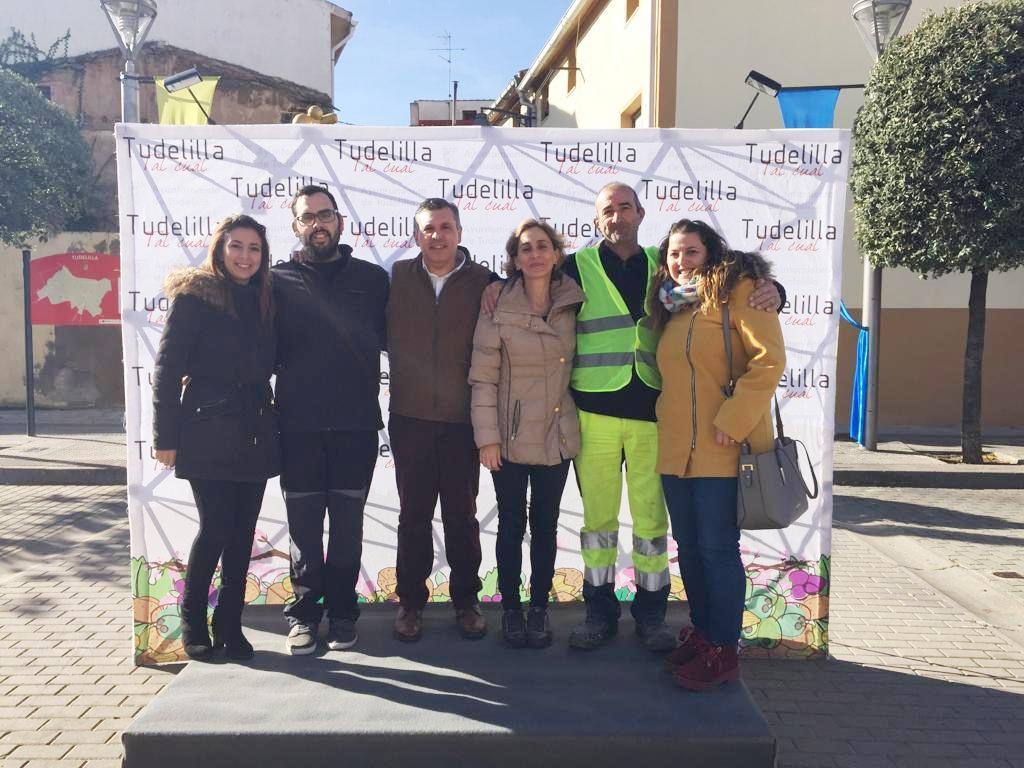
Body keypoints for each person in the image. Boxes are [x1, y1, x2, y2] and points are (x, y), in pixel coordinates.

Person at [483, 182, 782, 652]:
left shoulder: (663, 266)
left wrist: (772, 287)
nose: (618, 216)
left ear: (641, 213)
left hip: (652, 415)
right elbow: (528, 277)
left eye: (626, 207)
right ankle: (598, 612)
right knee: (598, 522)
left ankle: (651, 615)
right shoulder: (574, 265)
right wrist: (494, 289)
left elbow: (720, 280)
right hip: (593, 412)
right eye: (608, 209)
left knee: (650, 523)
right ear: (596, 219)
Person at [652, 219, 785, 691]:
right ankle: (706, 634)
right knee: (689, 549)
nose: (680, 261)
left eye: (690, 251)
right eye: (673, 253)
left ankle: (725, 648)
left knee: (717, 550)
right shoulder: (673, 305)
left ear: (710, 252)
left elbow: (769, 360)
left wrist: (733, 420)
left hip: (723, 447)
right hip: (675, 451)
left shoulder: (743, 291)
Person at [152, 214, 280, 661]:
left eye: (254, 249)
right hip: (206, 429)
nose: (245, 256)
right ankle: (192, 619)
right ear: (220, 249)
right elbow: (167, 371)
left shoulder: (266, 299)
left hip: (255, 429)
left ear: (263, 257)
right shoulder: (196, 297)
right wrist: (164, 436)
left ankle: (229, 622)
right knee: (216, 529)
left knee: (244, 533)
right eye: (237, 246)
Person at [273, 185, 388, 655]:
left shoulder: (373, 279)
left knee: (346, 529)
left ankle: (342, 614)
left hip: (355, 427)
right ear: (296, 226)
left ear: (340, 221)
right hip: (295, 427)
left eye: (325, 215)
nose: (317, 223)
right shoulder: (274, 279)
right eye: (308, 217)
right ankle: (303, 617)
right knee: (302, 528)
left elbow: (407, 336)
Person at [468, 219, 585, 648]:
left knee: (547, 527)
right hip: (510, 439)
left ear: (556, 253)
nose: (534, 255)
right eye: (525, 249)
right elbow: (483, 378)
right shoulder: (496, 304)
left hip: (557, 435)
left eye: (542, 246)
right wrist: (488, 439)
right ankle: (512, 610)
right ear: (513, 259)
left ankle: (540, 608)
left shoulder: (577, 299)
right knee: (511, 525)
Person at [387, 198, 497, 642]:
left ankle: (466, 602)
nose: (438, 235)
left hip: (461, 420)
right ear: (417, 237)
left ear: (460, 233)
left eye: (446, 227)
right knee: (412, 515)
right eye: (429, 228)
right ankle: (410, 604)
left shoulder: (485, 282)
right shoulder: (395, 279)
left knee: (462, 516)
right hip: (409, 417)